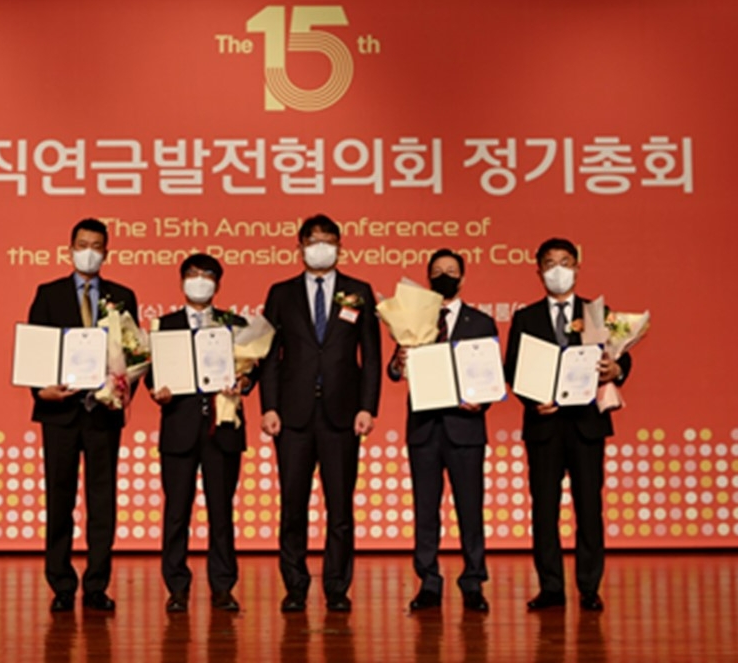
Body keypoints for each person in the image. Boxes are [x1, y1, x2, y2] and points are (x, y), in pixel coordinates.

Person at [259, 214, 382, 613]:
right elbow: (269, 358)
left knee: (340, 506)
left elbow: (372, 356)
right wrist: (269, 406)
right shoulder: (281, 293)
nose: (321, 246)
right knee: (292, 505)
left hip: (342, 415)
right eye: (314, 240)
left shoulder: (358, 290)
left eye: (329, 240)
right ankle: (295, 585)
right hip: (292, 416)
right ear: (300, 246)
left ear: (340, 247)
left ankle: (336, 587)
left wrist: (368, 407)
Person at [503, 238, 631, 613]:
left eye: (565, 262)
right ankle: (551, 587)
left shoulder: (594, 313)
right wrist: (531, 397)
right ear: (538, 270)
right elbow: (513, 369)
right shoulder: (525, 317)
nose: (558, 270)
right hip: (544, 426)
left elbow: (615, 359)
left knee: (589, 508)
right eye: (550, 263)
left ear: (577, 267)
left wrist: (617, 369)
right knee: (544, 508)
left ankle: (590, 587)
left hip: (586, 425)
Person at [27, 217, 138, 613]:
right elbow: (35, 351)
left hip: (103, 414)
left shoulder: (122, 296)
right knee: (60, 498)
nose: (88, 252)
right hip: (60, 413)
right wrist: (41, 389)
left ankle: (96, 584)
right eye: (82, 244)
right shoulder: (49, 294)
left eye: (96, 246)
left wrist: (121, 391)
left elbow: (134, 355)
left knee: (101, 501)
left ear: (106, 252)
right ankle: (60, 584)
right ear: (70, 248)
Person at [387, 249, 493, 613]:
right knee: (425, 510)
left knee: (470, 509)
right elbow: (394, 370)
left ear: (462, 278)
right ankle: (428, 581)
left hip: (466, 429)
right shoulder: (415, 321)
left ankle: (473, 581)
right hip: (424, 429)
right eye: (437, 272)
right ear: (428, 278)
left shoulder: (481, 322)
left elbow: (491, 376)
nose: (444, 276)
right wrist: (400, 361)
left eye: (451, 271)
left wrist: (483, 401)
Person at [148, 253, 254, 614]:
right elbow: (152, 375)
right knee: (176, 513)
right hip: (179, 429)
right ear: (181, 282)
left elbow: (252, 368)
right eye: (192, 274)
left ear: (217, 284)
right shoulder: (164, 325)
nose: (200, 280)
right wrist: (156, 388)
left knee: (222, 513)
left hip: (222, 430)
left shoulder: (235, 325)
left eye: (207, 275)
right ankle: (176, 587)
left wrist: (244, 380)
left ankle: (223, 587)